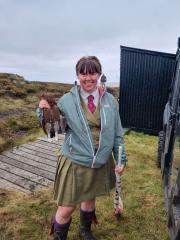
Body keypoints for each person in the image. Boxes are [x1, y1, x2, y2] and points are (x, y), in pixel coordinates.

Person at [51, 56, 127, 240]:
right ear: (77, 75)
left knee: (90, 198)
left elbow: (117, 133)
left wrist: (121, 159)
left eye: (92, 73)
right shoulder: (66, 101)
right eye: (83, 73)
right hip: (75, 161)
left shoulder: (110, 100)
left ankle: (85, 231)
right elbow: (55, 128)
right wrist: (44, 113)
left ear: (99, 74)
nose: (88, 78)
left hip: (99, 160)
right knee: (67, 207)